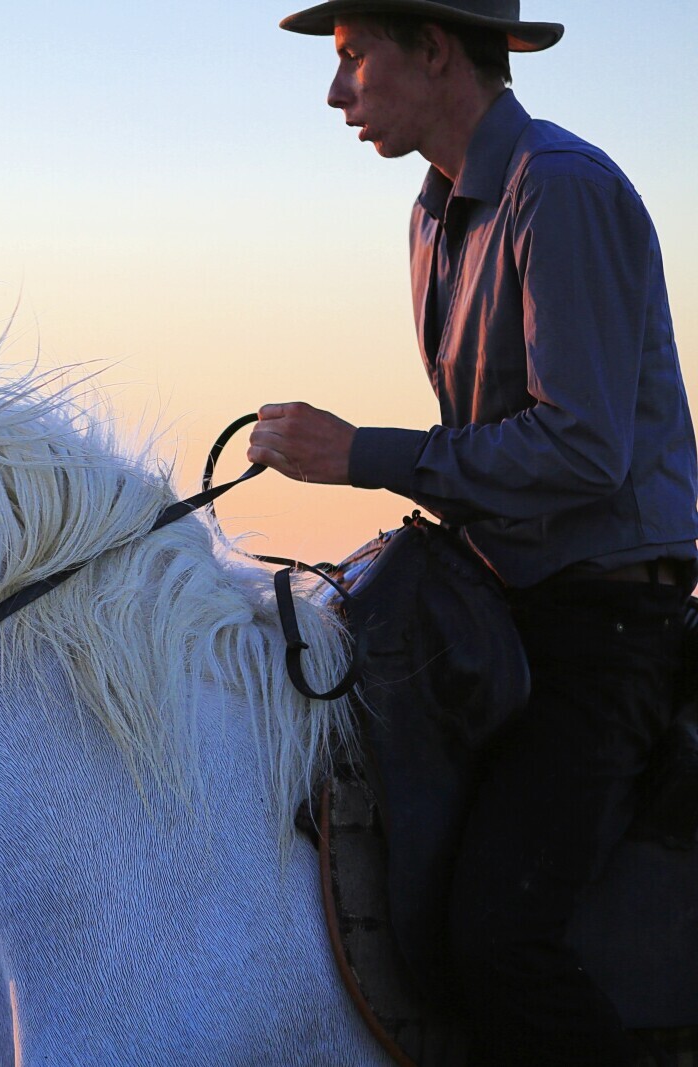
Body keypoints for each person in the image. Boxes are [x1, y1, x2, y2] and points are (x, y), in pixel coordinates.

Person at [252, 2, 698, 1063]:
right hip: (504, 607)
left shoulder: (561, 188)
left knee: (499, 937)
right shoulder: (435, 209)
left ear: (437, 47)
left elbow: (583, 450)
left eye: (354, 58)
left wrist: (359, 453)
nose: (334, 90)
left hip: (606, 622)